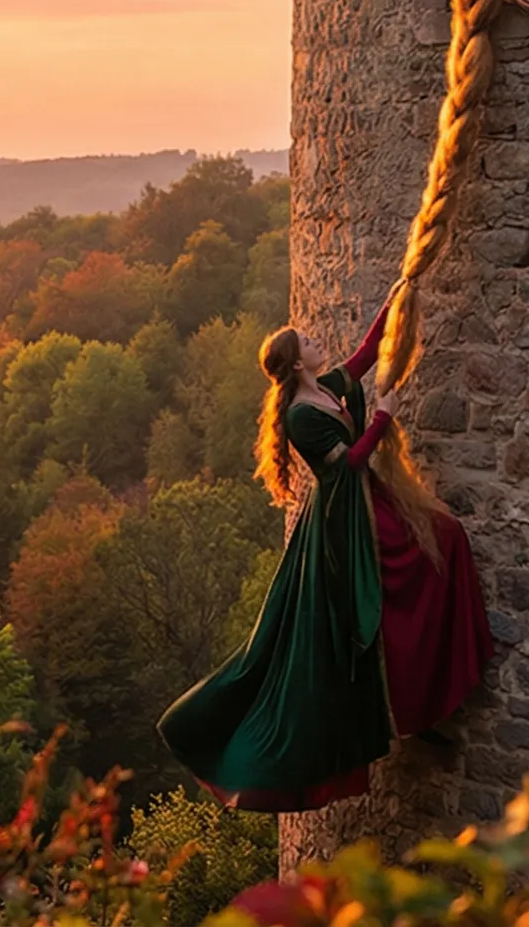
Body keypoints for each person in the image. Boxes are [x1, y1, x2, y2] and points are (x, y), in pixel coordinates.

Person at [156, 287, 491, 812]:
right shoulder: (300, 416)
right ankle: (409, 708)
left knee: (446, 537)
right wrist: (382, 417)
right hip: (345, 518)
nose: (316, 342)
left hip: (367, 497)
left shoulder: (327, 387)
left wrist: (400, 293)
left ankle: (431, 689)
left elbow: (365, 355)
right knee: (396, 584)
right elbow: (348, 464)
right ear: (296, 364)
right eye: (307, 342)